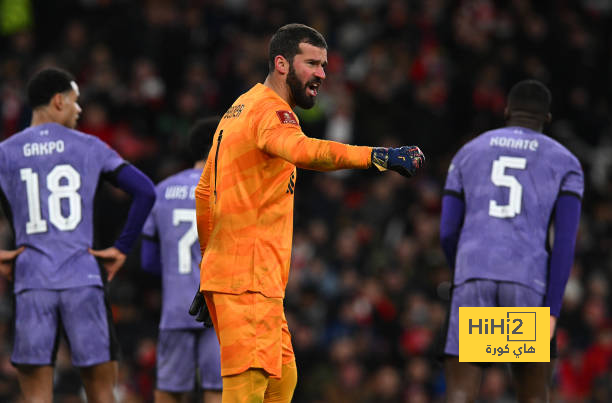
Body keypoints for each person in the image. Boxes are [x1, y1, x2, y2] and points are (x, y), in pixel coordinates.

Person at [187, 23, 425, 402]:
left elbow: (204, 192)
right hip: (248, 277)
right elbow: (304, 151)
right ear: (281, 64)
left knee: (282, 381)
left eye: (324, 65)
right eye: (311, 64)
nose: (321, 75)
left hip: (243, 276)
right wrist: (376, 156)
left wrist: (209, 267)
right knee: (246, 391)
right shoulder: (271, 113)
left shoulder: (239, 107)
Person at [0, 67, 156, 403]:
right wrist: (121, 247)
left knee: (36, 397)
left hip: (31, 282)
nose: (79, 109)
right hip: (83, 281)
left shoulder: (5, 152)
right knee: (101, 393)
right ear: (58, 101)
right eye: (75, 101)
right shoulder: (90, 146)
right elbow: (145, 191)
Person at [440, 79, 583, 402]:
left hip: (473, 274)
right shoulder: (565, 163)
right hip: (526, 278)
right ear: (547, 119)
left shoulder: (468, 152)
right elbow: (563, 244)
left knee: (461, 393)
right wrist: (553, 310)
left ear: (506, 111)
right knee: (532, 397)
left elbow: (448, 230)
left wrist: (462, 272)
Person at [141, 117, 222, 403]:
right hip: (218, 310)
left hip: (176, 309)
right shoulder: (230, 192)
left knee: (169, 390)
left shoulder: (161, 190)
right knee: (217, 390)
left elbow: (148, 261)